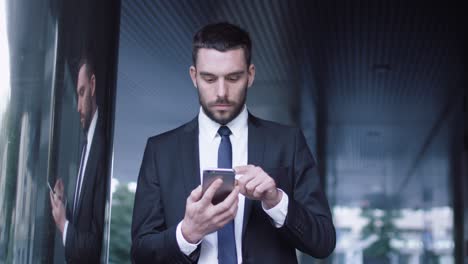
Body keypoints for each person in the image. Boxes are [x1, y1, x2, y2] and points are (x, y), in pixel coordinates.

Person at [131, 22, 336, 264]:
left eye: (233, 78)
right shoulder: (161, 151)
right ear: (194, 76)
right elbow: (141, 254)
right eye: (209, 78)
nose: (221, 92)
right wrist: (188, 233)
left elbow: (323, 242)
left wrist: (276, 201)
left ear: (250, 75)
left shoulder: (287, 143)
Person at [49, 53, 107, 263]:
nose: (78, 107)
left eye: (82, 93)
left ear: (92, 85)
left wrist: (63, 223)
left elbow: (94, 246)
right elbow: (85, 219)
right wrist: (65, 205)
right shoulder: (88, 144)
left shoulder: (102, 147)